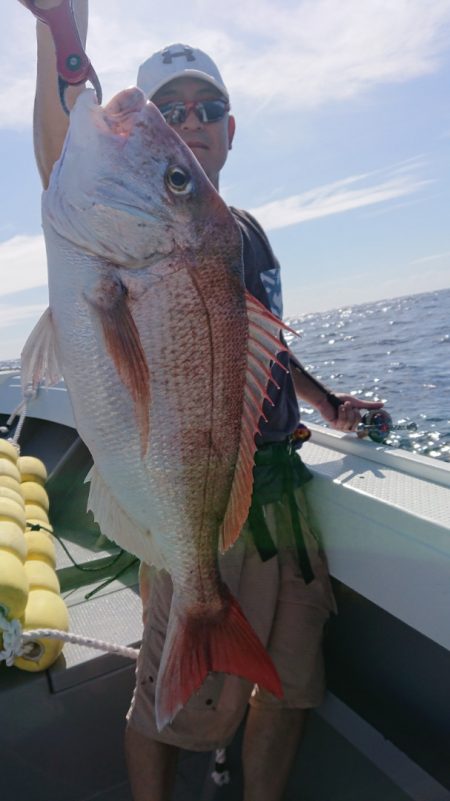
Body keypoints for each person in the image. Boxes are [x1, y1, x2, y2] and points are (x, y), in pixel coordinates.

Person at [20, 3, 383, 800]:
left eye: (208, 108)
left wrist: (324, 402)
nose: (193, 120)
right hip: (193, 501)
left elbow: (264, 348)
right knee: (171, 707)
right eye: (173, 111)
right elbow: (66, 146)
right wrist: (60, 34)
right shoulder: (123, 218)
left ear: (229, 128)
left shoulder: (238, 231)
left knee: (287, 688)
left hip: (281, 494)